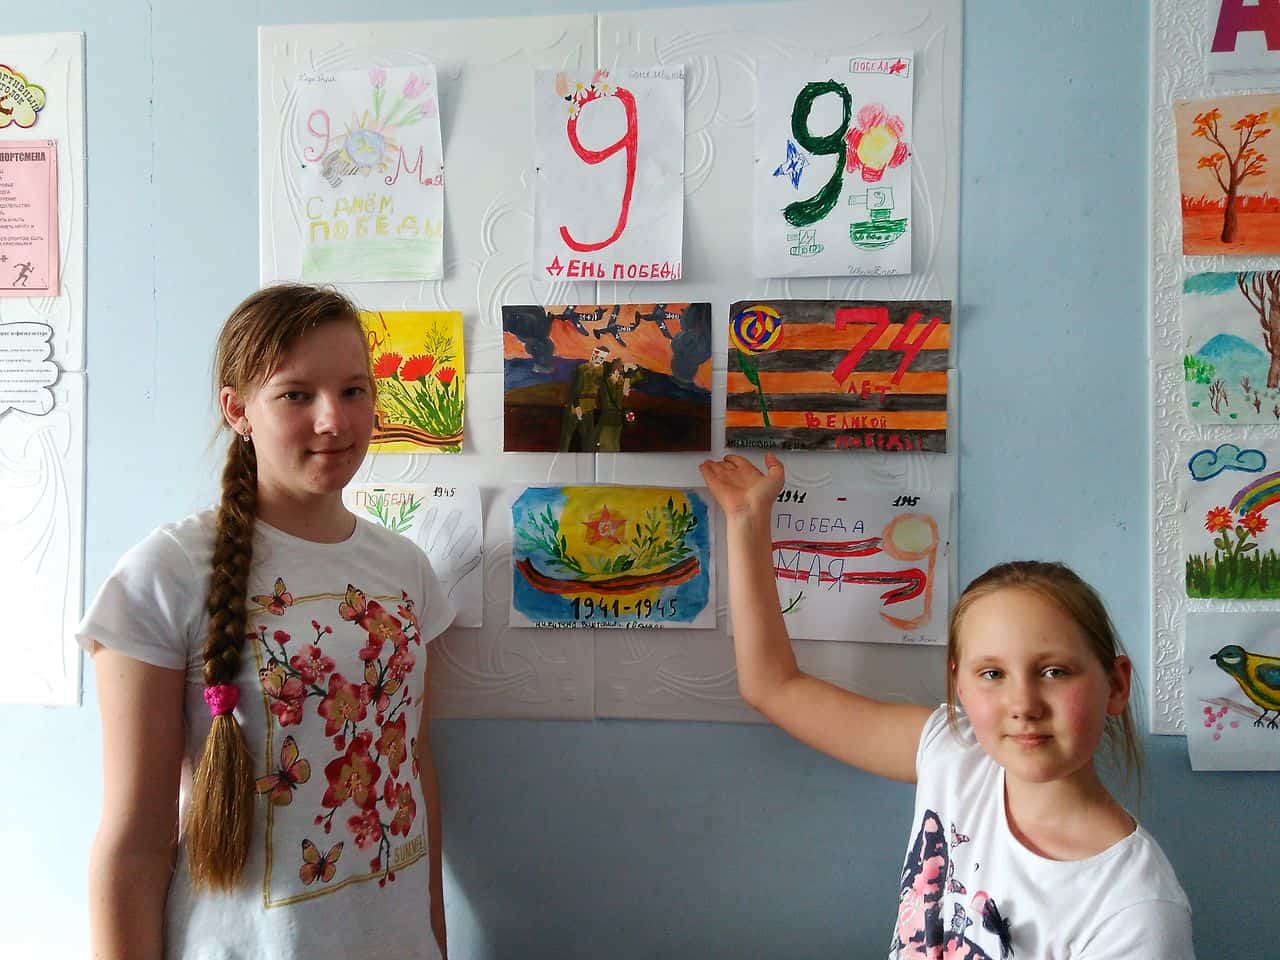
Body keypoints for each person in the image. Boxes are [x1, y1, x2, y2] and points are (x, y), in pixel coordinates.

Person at [81, 284, 455, 960]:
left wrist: (434, 939)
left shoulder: (406, 567)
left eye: (353, 390)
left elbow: (414, 766)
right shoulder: (164, 574)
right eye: (296, 395)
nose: (333, 420)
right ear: (238, 410)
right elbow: (135, 843)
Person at [698, 453, 1195, 959]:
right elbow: (773, 686)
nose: (1023, 704)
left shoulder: (1136, 911)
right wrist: (747, 520)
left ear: (1115, 685)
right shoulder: (954, 755)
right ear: (959, 686)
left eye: (1054, 672)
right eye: (992, 674)